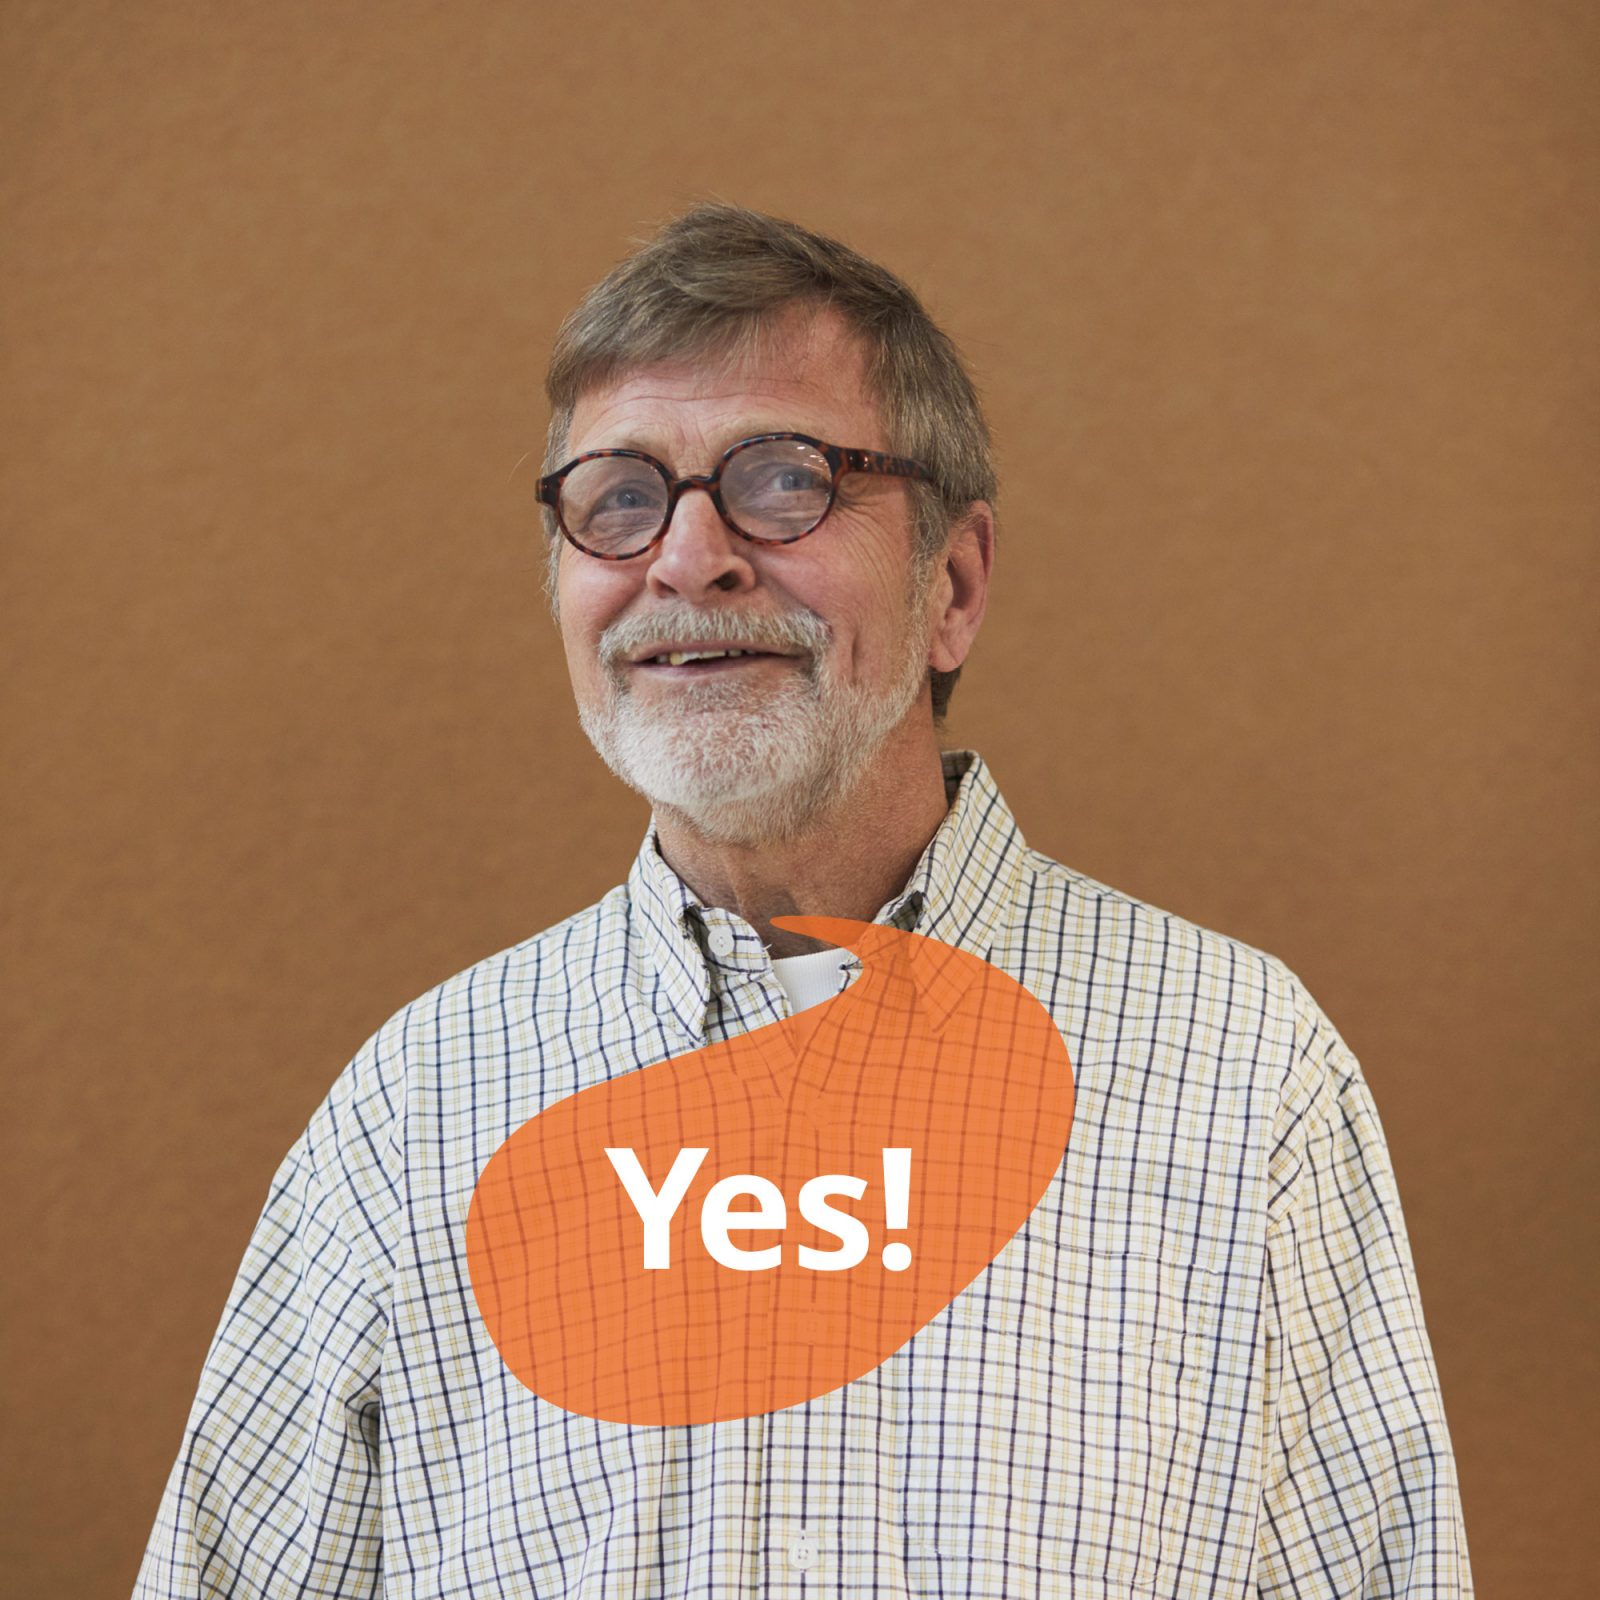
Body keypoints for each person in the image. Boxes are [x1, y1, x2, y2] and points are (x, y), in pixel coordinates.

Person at [135, 203, 1472, 1598]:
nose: (686, 558)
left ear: (951, 585)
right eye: (620, 497)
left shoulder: (1244, 1074)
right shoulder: (418, 1112)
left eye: (783, 483)